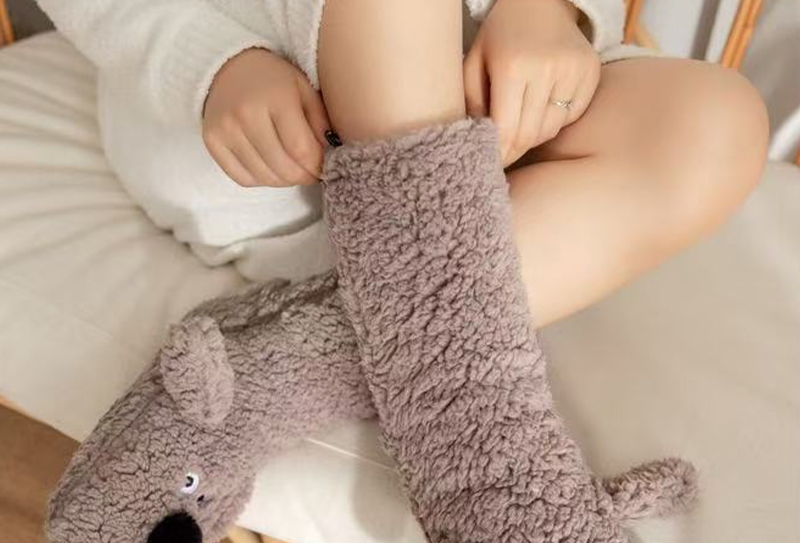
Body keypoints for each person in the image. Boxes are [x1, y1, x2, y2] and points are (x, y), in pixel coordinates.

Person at [39, 0, 768, 325]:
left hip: (501, 107)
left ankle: (324, 355)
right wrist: (212, 65)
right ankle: (422, 332)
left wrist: (547, 9)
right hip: (266, 133)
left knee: (717, 123)